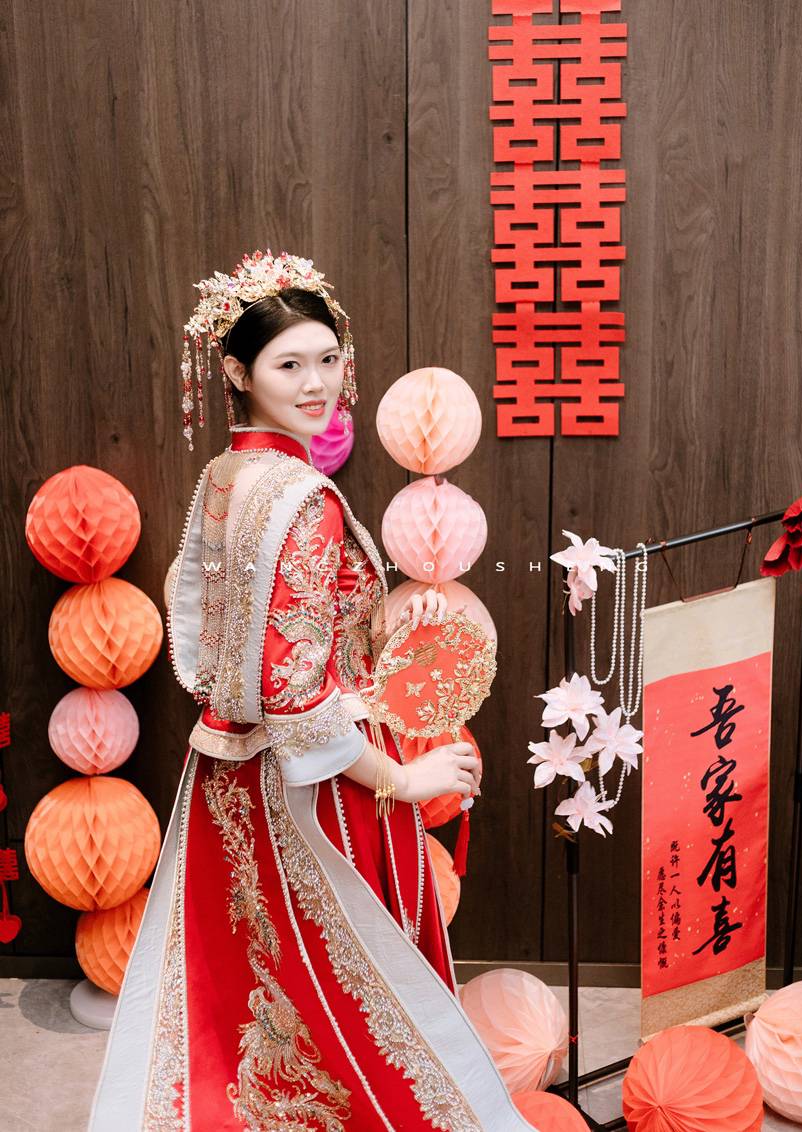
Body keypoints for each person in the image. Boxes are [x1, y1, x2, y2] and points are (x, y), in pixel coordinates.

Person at [88, 249, 534, 1130]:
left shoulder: (227, 477)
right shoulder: (302, 498)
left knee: (254, 1000)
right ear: (237, 373)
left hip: (231, 776)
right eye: (289, 364)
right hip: (318, 786)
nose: (318, 383)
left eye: (328, 359)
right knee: (355, 1015)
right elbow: (292, 695)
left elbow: (231, 642)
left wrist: (367, 638)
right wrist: (402, 778)